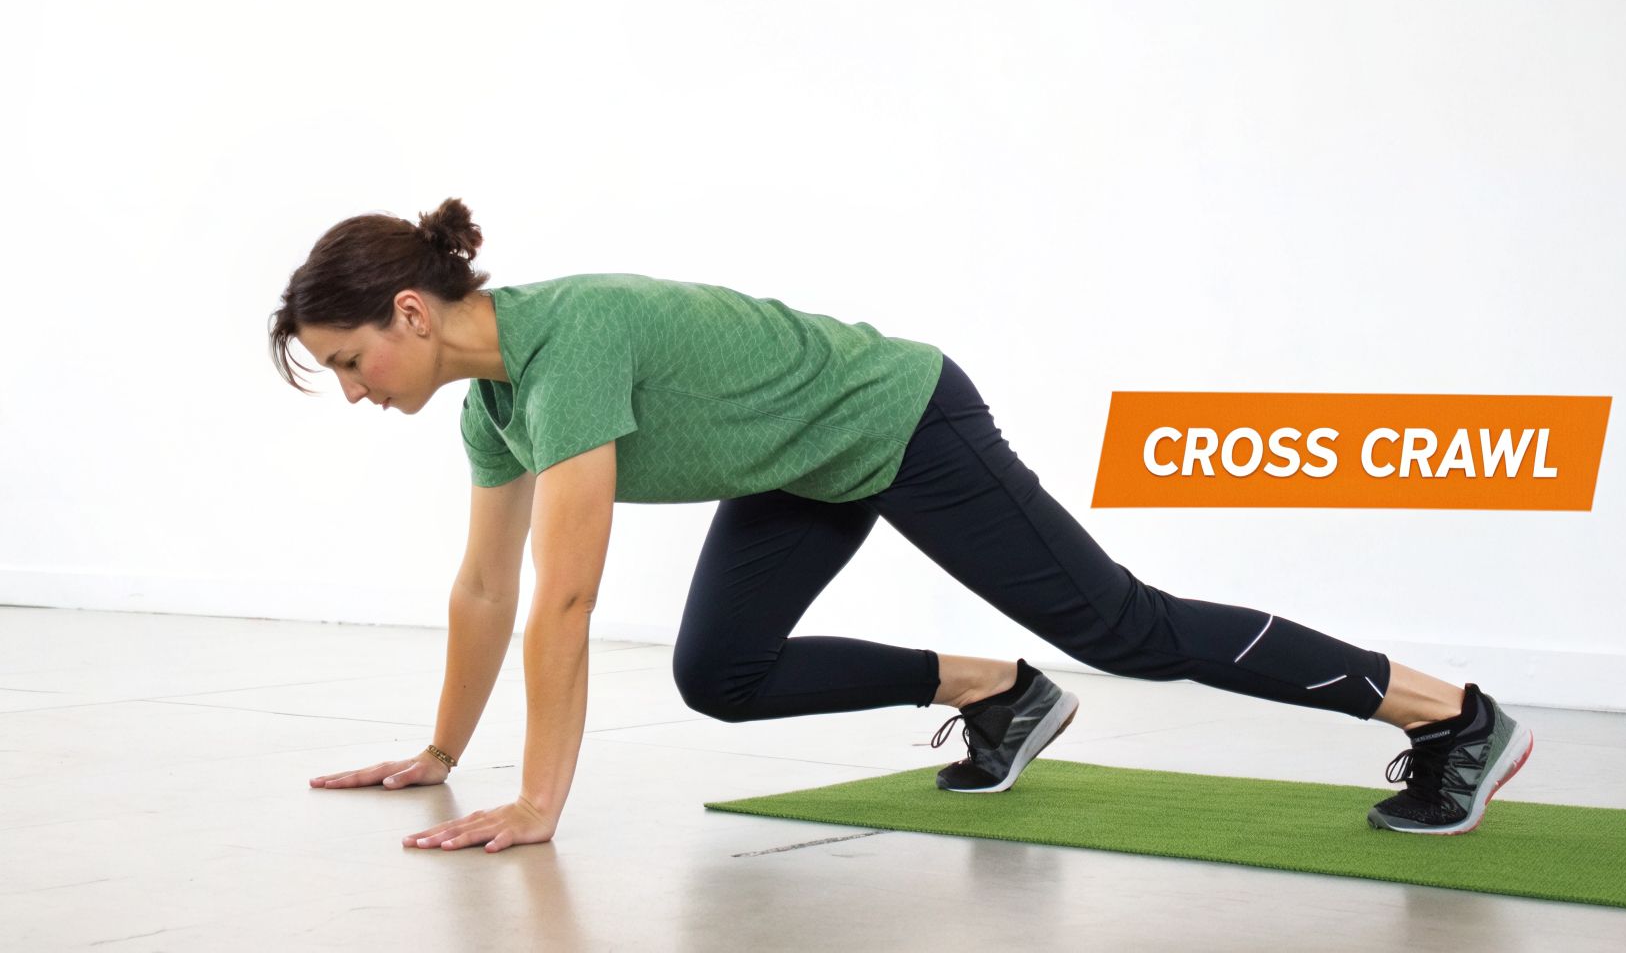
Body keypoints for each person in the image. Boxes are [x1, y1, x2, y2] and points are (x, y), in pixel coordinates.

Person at [271, 198, 1534, 853]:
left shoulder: (569, 346)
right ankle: (1000, 694)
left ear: (409, 313)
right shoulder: (492, 411)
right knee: (721, 675)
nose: (351, 388)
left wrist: (539, 798)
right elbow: (486, 590)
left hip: (892, 416)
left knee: (1121, 625)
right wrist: (442, 750)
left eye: (346, 359)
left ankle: (1452, 717)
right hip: (793, 460)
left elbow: (563, 597)